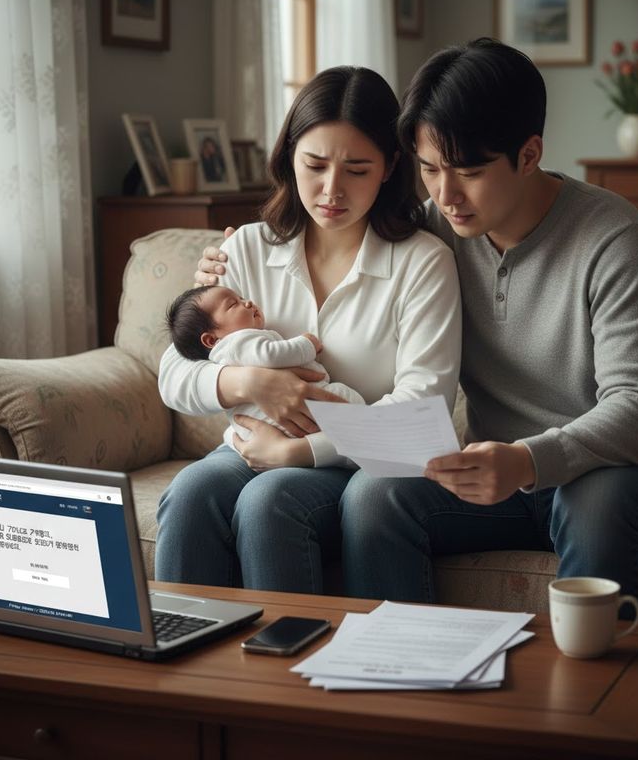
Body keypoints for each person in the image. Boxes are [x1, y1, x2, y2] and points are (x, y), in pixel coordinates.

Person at [198, 39, 638, 612]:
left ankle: (599, 698)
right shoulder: (433, 232)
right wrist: (217, 279)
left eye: (470, 172)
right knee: (374, 496)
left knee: (595, 503)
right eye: (429, 170)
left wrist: (529, 460)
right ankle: (401, 680)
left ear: (529, 153)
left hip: (625, 474)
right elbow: (331, 229)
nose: (446, 195)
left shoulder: (616, 241)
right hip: (494, 474)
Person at [155, 66, 462, 593]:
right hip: (249, 445)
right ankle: (179, 665)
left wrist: (299, 451)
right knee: (189, 493)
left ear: (390, 167)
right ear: (288, 156)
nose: (331, 191)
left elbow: (421, 411)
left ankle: (289, 666)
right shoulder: (248, 247)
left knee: (268, 500)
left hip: (361, 460)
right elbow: (174, 373)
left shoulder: (423, 262)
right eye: (314, 165)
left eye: (357, 170)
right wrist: (251, 384)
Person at [164, 283, 364, 450]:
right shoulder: (237, 343)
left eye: (241, 297)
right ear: (210, 339)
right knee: (348, 399)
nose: (248, 302)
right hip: (284, 421)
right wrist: (307, 344)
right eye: (234, 304)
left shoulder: (227, 350)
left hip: (266, 431)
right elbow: (270, 355)